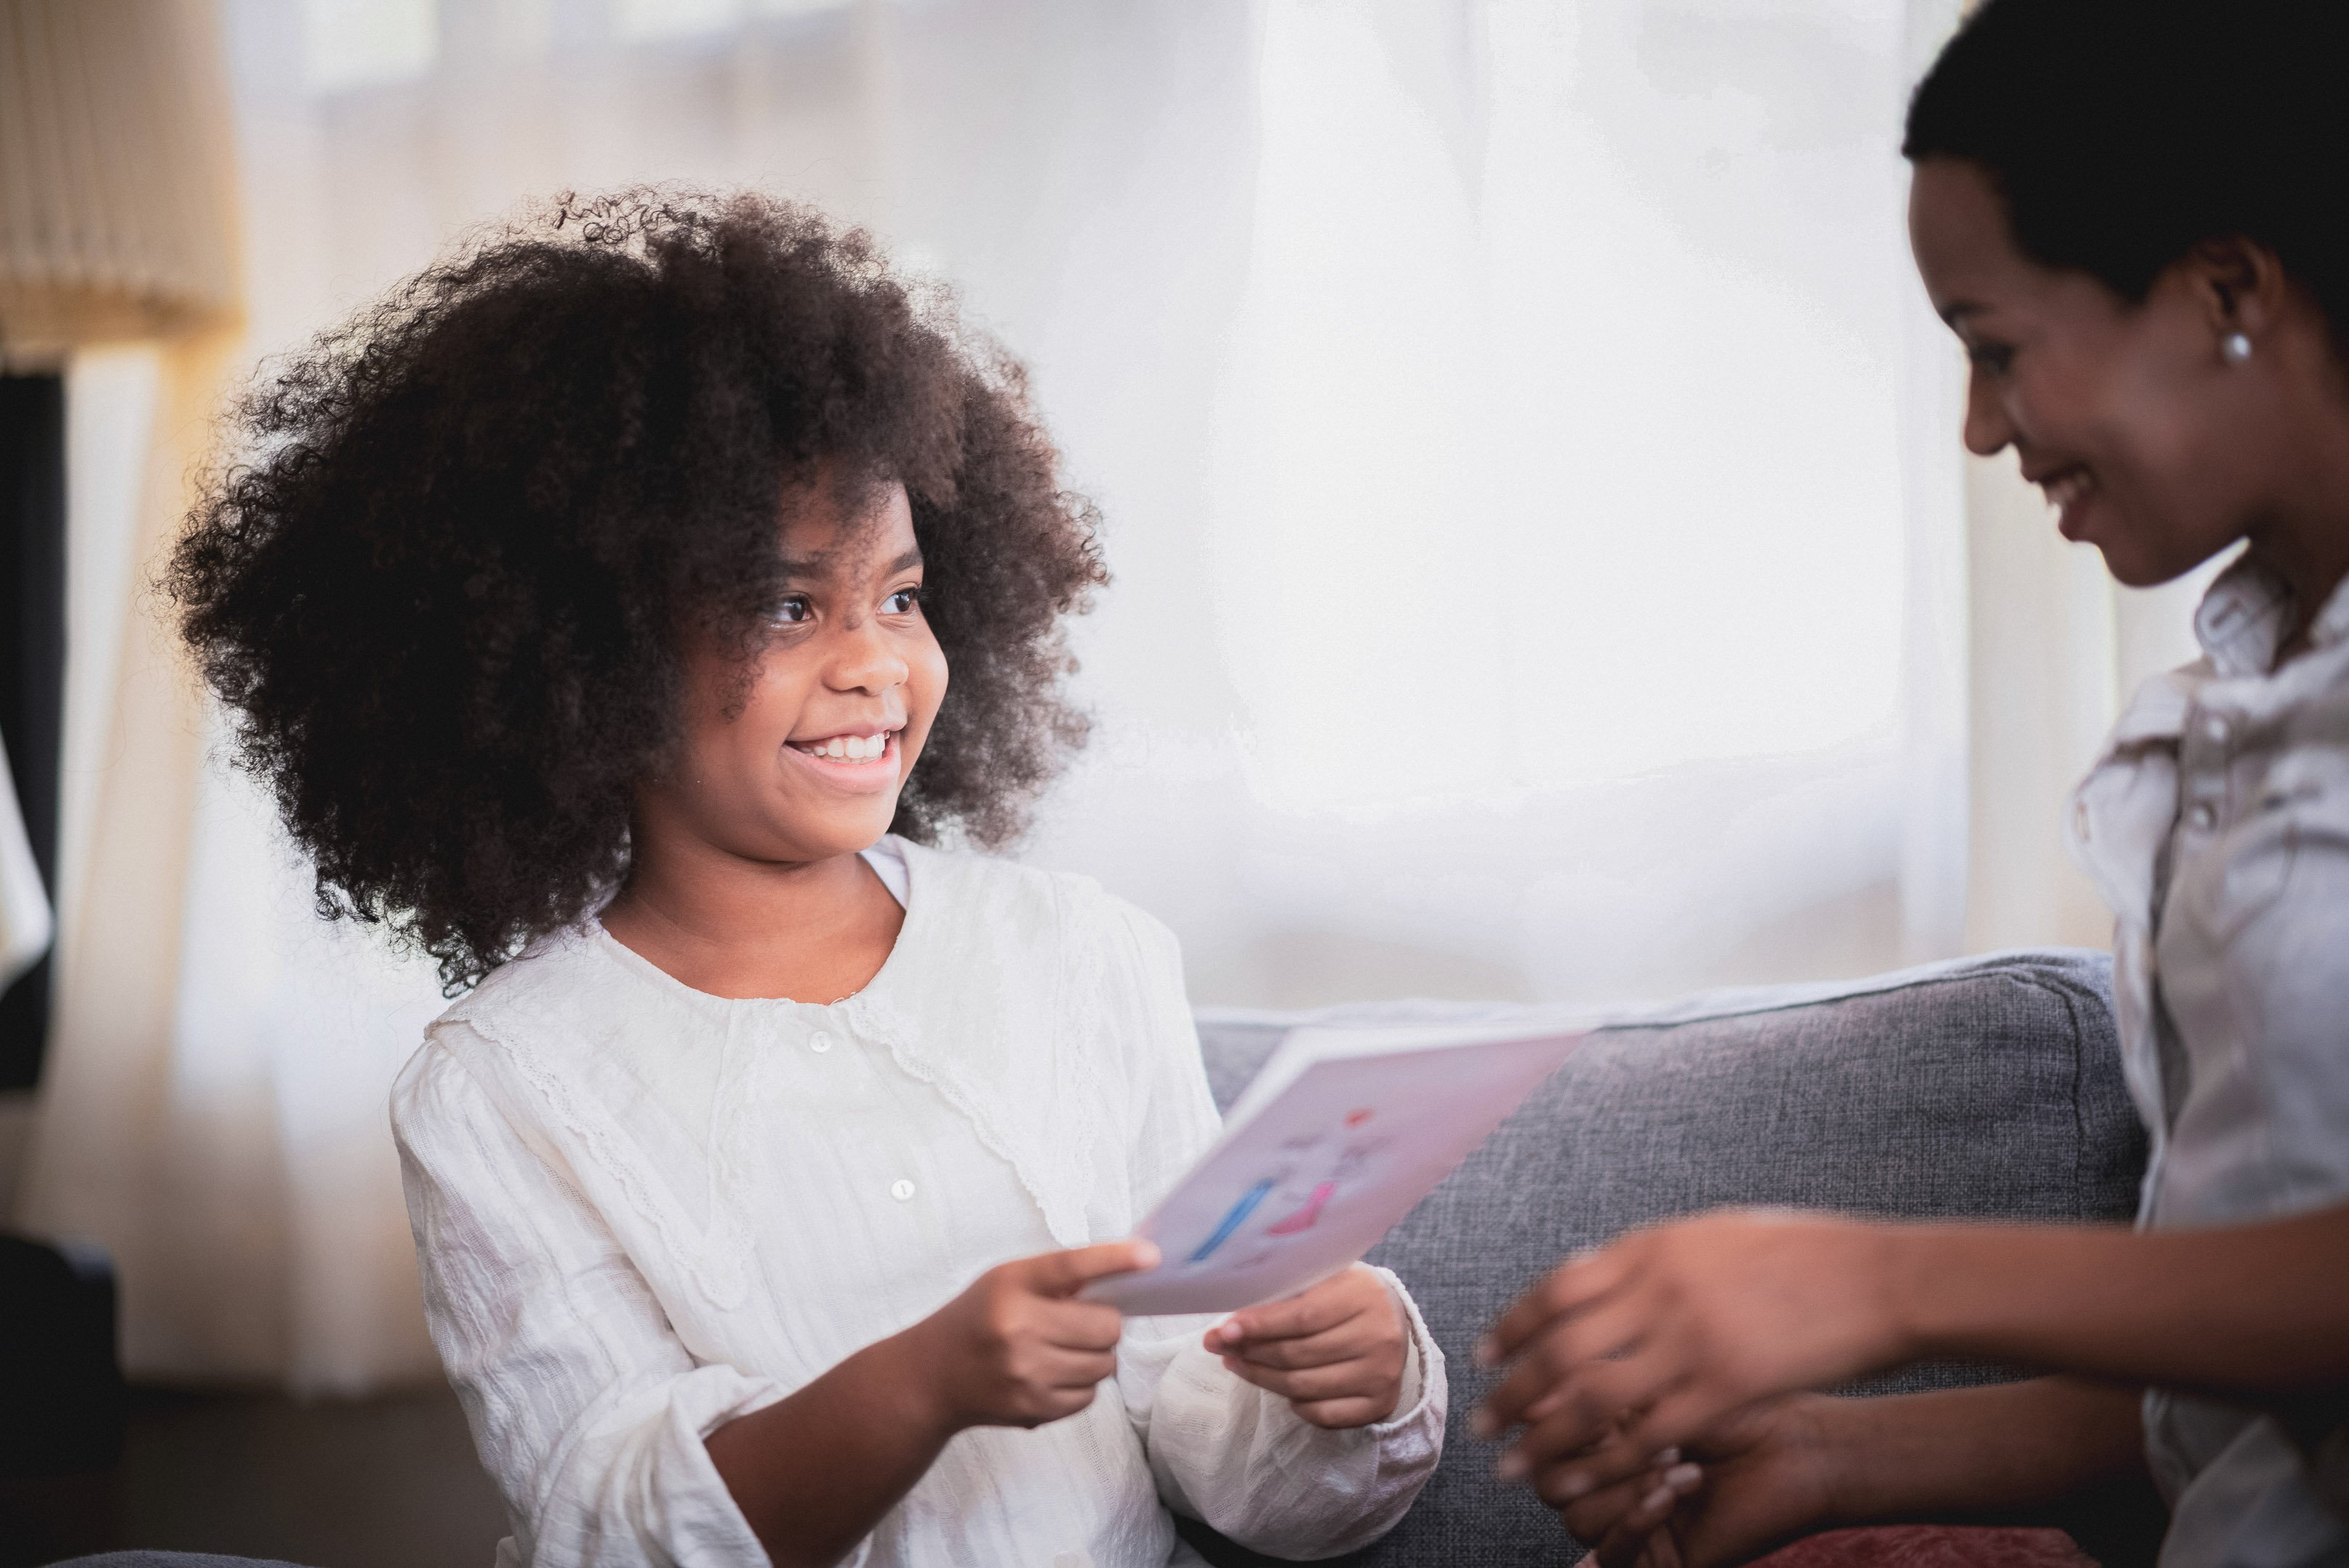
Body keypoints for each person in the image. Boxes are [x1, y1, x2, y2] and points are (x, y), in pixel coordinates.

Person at [166, 191, 1444, 1568]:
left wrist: (1333, 1390)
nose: (873, 664)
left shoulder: (1081, 955)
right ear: (584, 665)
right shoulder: (501, 1090)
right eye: (787, 607)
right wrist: (925, 1381)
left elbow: (1222, 1444)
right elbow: (611, 1531)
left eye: (898, 595)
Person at [1470, 1, 2349, 1564]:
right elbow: (2249, 1372)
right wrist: (1822, 1452)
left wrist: (1876, 1284)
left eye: (1999, 349)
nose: (1979, 427)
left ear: (2226, 287)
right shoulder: (2238, 714)